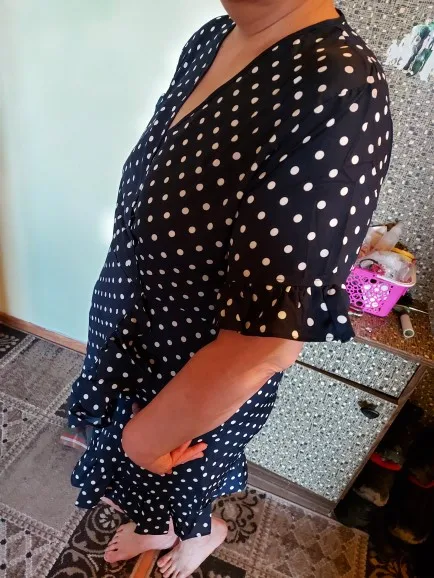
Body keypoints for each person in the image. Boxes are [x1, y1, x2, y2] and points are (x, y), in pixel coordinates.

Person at [67, 0, 393, 576]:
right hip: (132, 326)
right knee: (143, 475)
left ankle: (203, 533)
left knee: (179, 472)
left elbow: (264, 344)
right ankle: (158, 526)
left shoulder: (340, 88)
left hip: (195, 365)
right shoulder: (216, 35)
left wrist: (143, 440)